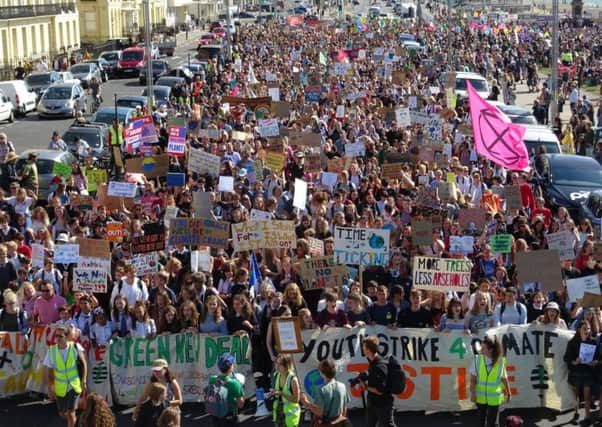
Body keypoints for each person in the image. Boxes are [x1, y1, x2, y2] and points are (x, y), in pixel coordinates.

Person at [43, 324, 87, 427]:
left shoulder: (75, 347)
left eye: (60, 336)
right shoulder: (51, 351)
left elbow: (84, 364)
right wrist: (49, 389)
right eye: (56, 336)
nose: (57, 338)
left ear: (67, 337)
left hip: (74, 386)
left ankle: (73, 420)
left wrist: (83, 380)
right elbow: (49, 373)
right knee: (63, 414)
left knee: (70, 414)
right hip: (60, 388)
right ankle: (76, 420)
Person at [469, 335, 511, 427]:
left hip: (494, 397)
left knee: (492, 422)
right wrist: (472, 393)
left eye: (483, 348)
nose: (481, 350)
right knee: (481, 421)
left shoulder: (501, 361)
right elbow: (472, 380)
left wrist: (509, 392)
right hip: (480, 397)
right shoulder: (477, 360)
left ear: (491, 350)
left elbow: (504, 378)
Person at [564, 320, 598, 424]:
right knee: (576, 396)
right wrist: (575, 361)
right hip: (576, 372)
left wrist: (595, 362)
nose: (587, 331)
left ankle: (587, 417)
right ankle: (576, 413)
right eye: (585, 328)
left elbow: (597, 356)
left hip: (587, 372)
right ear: (579, 330)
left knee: (587, 396)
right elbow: (566, 358)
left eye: (588, 328)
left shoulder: (593, 341)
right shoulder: (572, 342)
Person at [300, 359, 351, 427]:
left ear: (321, 373)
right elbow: (344, 408)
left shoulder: (320, 390)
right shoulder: (342, 386)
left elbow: (319, 412)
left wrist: (306, 402)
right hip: (339, 423)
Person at [132, 358, 182, 422]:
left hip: (171, 412)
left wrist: (165, 403)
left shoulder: (172, 382)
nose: (156, 372)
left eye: (158, 370)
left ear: (165, 369)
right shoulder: (151, 381)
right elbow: (143, 397)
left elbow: (180, 401)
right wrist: (136, 411)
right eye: (154, 370)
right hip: (157, 412)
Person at [362, 335, 396, 427]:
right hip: (373, 402)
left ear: (368, 349)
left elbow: (380, 390)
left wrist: (365, 387)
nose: (362, 349)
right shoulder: (373, 362)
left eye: (364, 347)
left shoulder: (379, 365)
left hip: (383, 404)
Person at [207, 353, 245, 427]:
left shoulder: (212, 379)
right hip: (230, 417)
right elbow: (240, 405)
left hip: (216, 416)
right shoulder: (235, 383)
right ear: (231, 367)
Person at [271, 354, 301, 427]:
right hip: (279, 414)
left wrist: (282, 394)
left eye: (280, 364)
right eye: (276, 363)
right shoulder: (276, 375)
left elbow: (296, 400)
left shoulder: (293, 380)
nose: (277, 366)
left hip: (290, 418)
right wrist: (273, 392)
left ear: (287, 365)